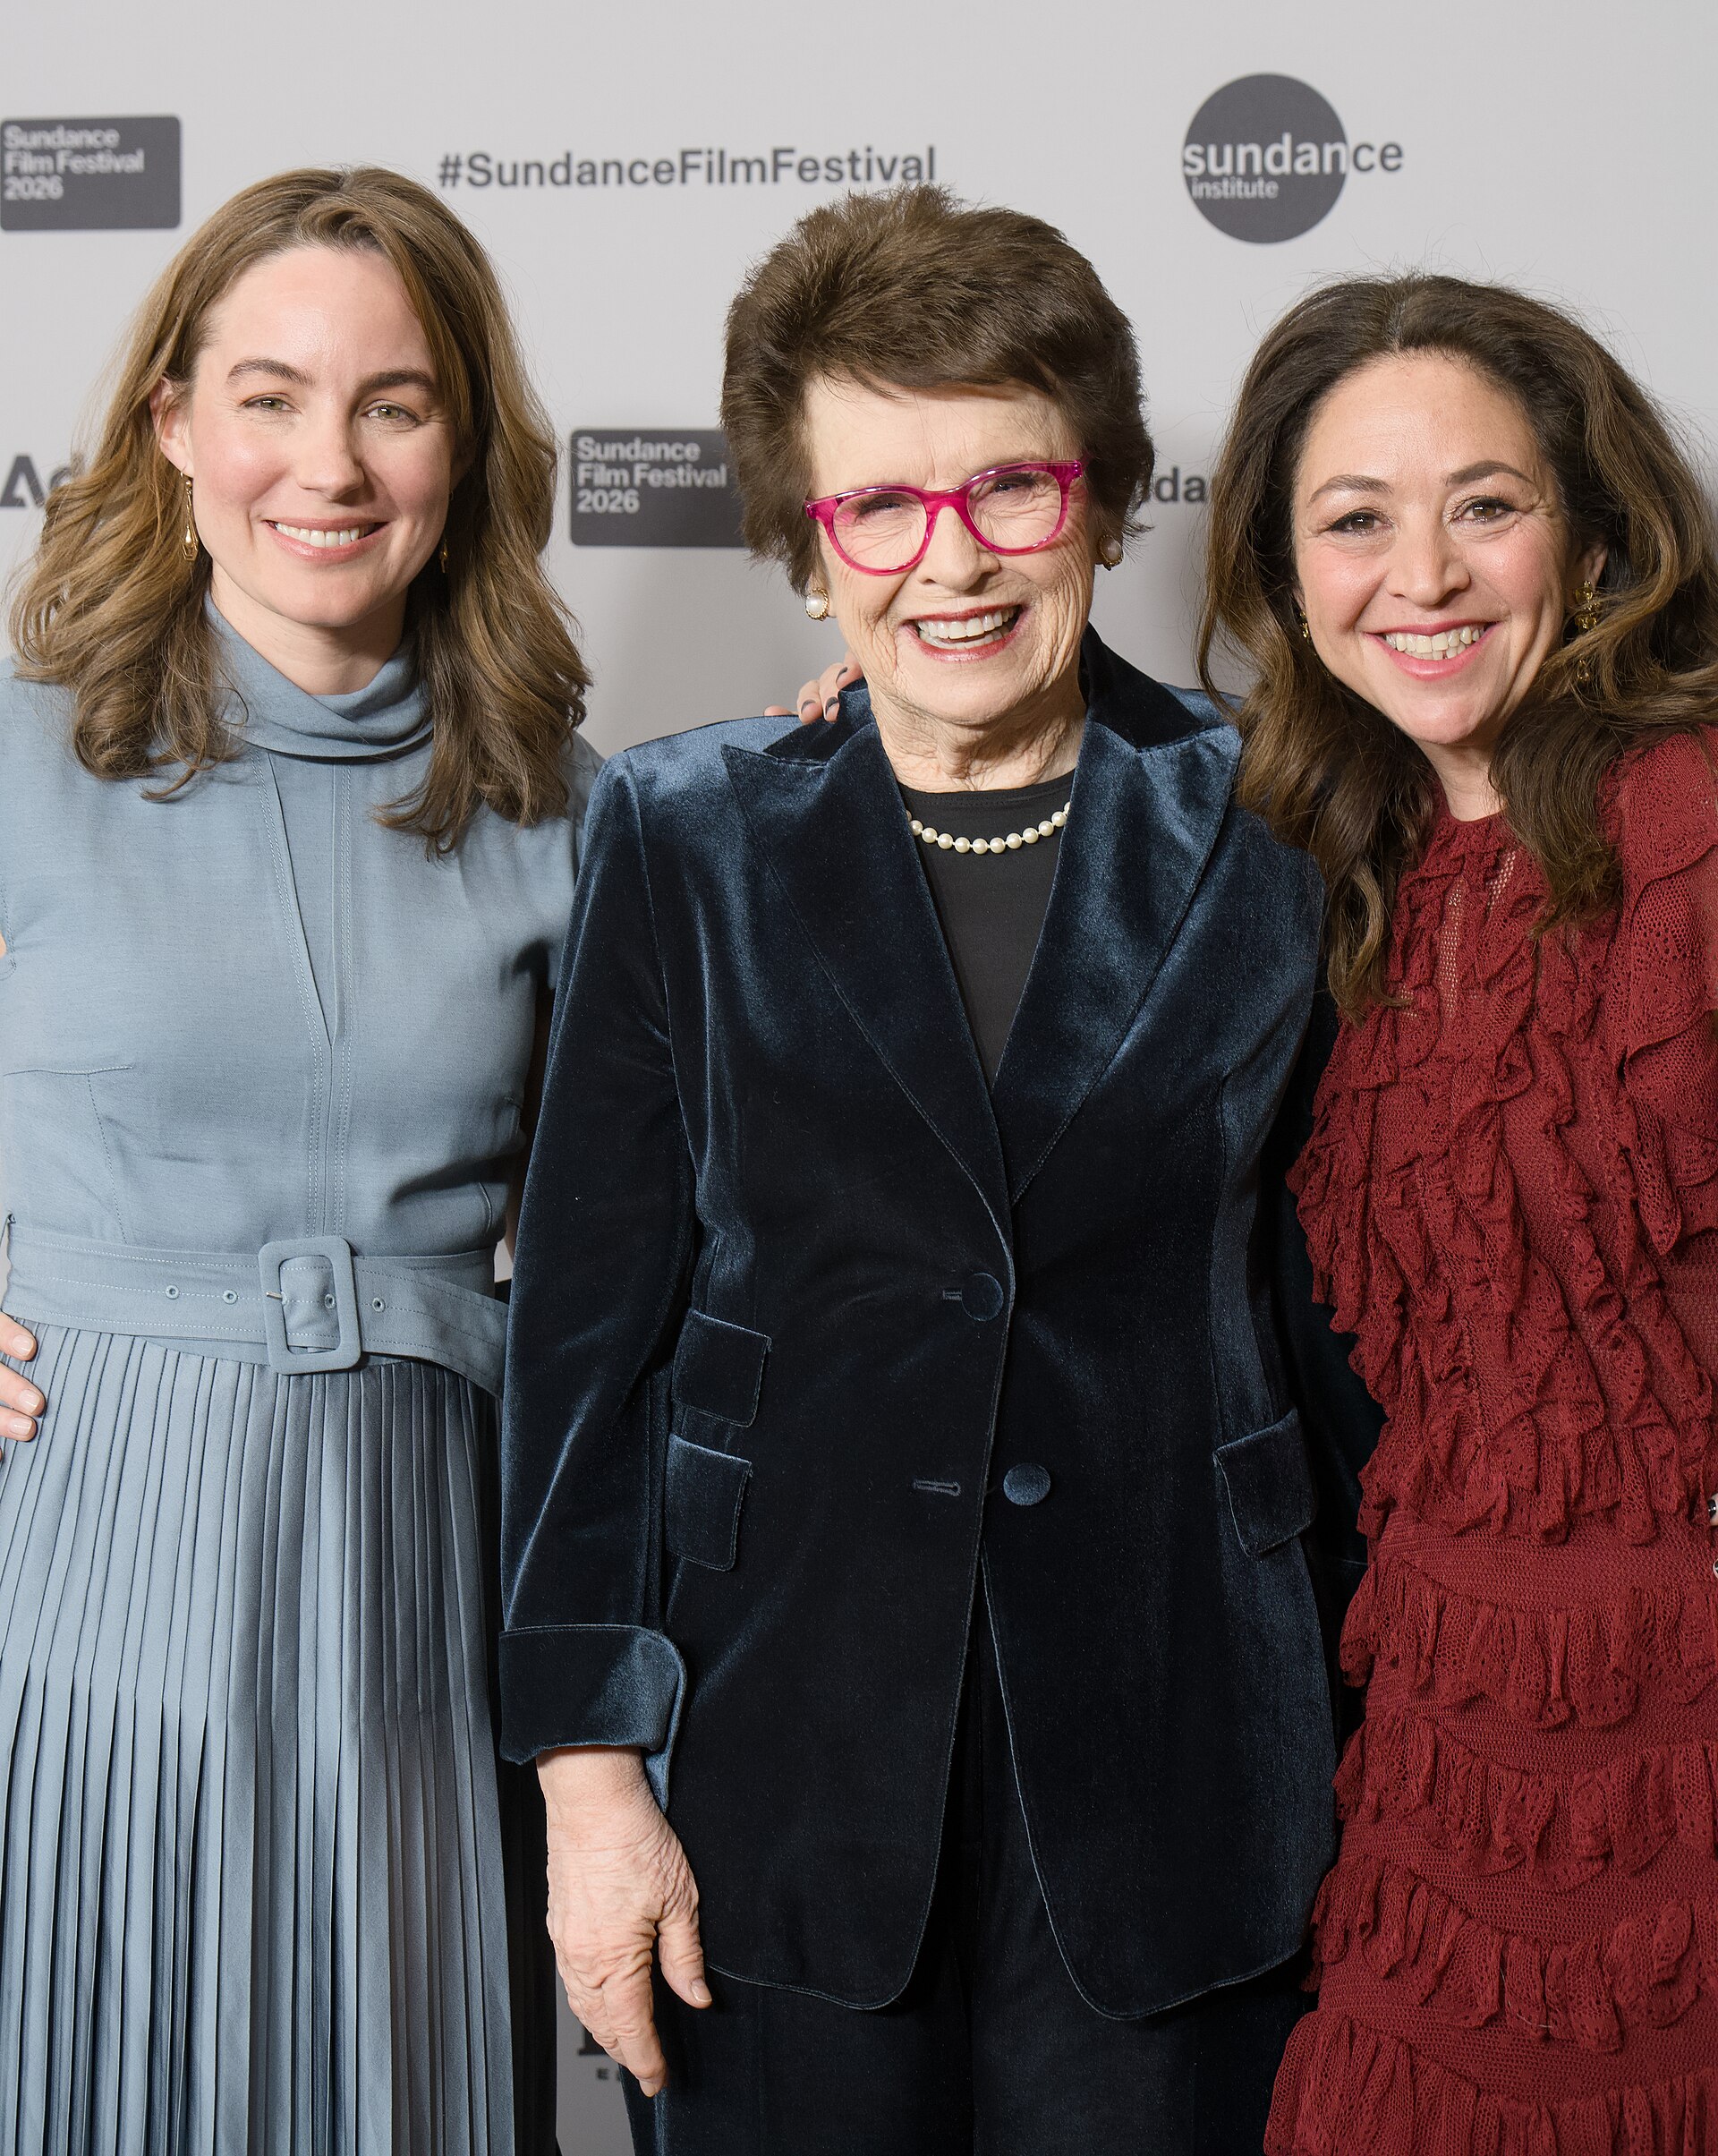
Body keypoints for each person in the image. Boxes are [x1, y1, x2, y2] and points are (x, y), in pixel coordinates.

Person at [499, 184, 1381, 2156]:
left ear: (1105, 496)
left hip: (1188, 1775)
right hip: (770, 1782)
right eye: (878, 505)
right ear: (806, 550)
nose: (949, 560)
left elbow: (1351, 1311)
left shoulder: (1283, 824)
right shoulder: (684, 835)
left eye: (1010, 490)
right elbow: (585, 1344)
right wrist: (587, 1777)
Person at [0, 166, 599, 2156]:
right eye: (267, 395)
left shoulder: (580, 815)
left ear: (465, 442)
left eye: (392, 403)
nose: (324, 464)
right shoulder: (15, 756)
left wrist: (889, 734)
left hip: (420, 1591)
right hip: (68, 1577)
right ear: (172, 422)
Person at [1198, 272, 1718, 2151]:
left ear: (1589, 532)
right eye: (1356, 518)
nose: (1423, 571)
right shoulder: (1336, 865)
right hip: (1438, 1748)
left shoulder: (1697, 822)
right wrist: (877, 695)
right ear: (1282, 570)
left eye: (1485, 502)